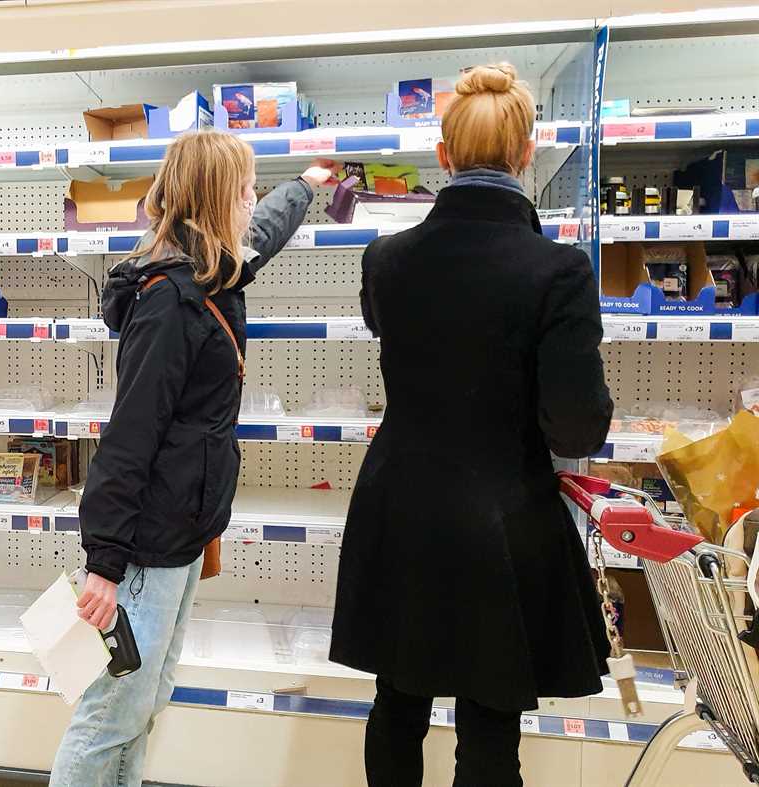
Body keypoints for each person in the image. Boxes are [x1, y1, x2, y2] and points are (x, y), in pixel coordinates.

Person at [330, 63, 614, 787]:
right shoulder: (558, 271)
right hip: (502, 516)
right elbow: (575, 428)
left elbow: (393, 331)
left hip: (399, 508)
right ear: (526, 155)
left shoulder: (385, 259)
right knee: (490, 723)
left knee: (396, 701)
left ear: (444, 157)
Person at [50, 130, 334, 787]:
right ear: (213, 199)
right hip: (144, 548)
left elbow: (262, 228)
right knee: (109, 715)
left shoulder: (210, 266)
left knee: (142, 703)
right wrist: (104, 564)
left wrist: (306, 186)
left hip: (178, 535)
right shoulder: (170, 304)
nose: (250, 198)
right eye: (243, 187)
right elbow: (128, 438)